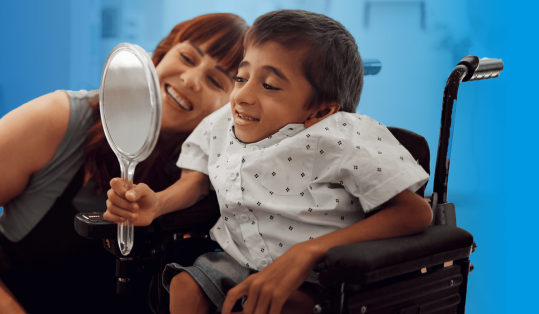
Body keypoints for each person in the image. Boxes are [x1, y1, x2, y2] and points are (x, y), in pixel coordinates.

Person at [102, 10, 434, 314]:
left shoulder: (343, 135)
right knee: (185, 285)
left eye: (269, 85)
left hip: (320, 270)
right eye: (241, 78)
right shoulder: (220, 124)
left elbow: (414, 212)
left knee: (277, 305)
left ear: (321, 110)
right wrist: (157, 203)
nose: (242, 96)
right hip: (237, 257)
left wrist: (308, 252)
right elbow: (196, 181)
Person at [0, 13, 248, 313]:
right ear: (160, 55)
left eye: (215, 81)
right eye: (187, 58)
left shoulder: (218, 174)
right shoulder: (57, 118)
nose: (190, 80)